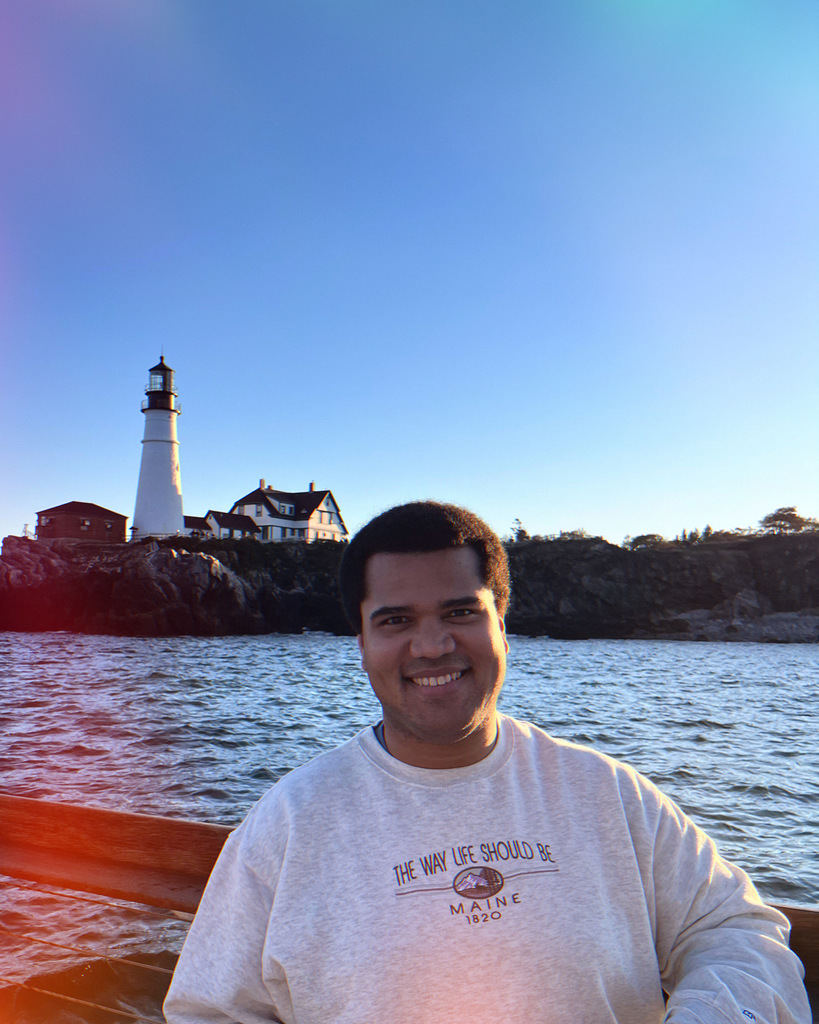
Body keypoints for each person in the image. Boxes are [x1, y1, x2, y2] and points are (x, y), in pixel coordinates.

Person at [164, 501, 810, 1024]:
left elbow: (735, 931)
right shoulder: (288, 823)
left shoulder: (608, 795)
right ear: (360, 641)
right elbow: (210, 1010)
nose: (432, 645)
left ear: (501, 619)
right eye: (395, 620)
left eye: (459, 612)